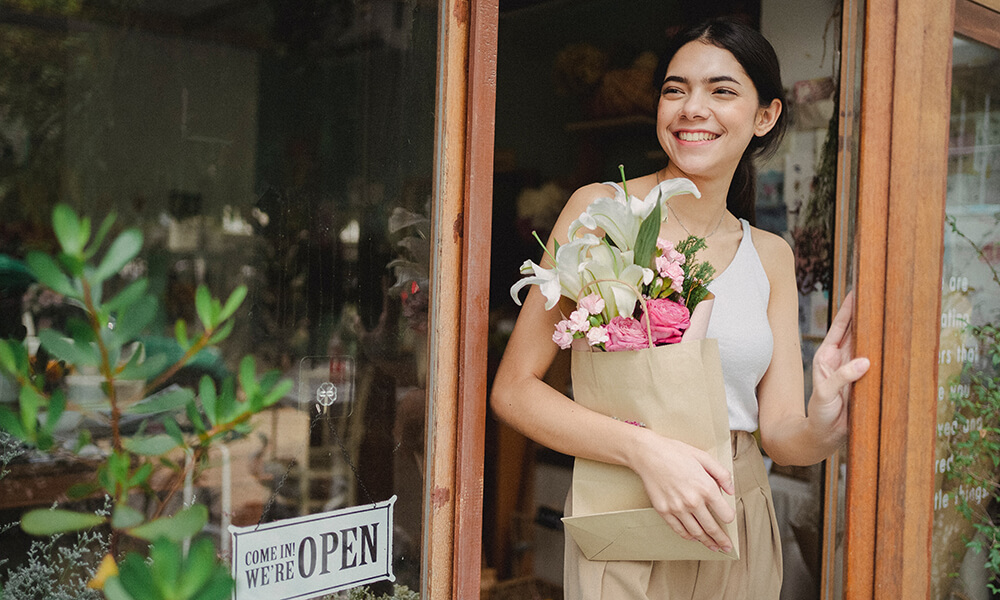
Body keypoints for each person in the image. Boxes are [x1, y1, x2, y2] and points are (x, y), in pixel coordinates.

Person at [490, 17, 871, 600]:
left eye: (722, 90)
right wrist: (645, 451)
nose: (693, 107)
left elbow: (781, 435)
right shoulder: (602, 212)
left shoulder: (770, 256)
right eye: (675, 89)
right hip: (625, 507)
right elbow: (514, 390)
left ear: (765, 115)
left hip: (736, 514)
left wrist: (823, 422)